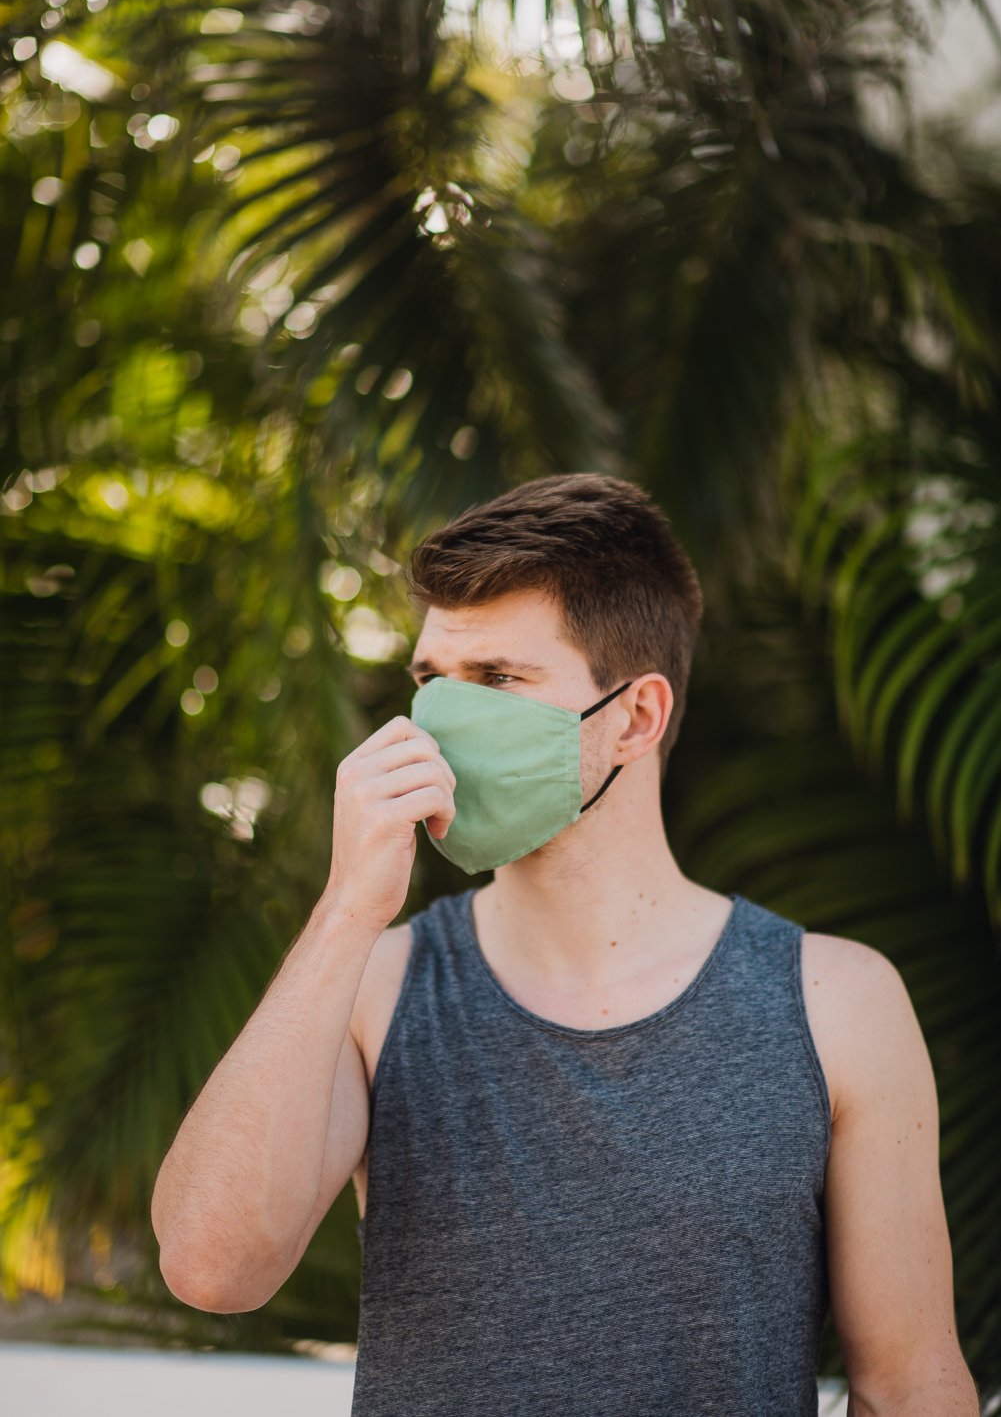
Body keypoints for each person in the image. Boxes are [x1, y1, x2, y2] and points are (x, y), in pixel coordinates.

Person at [151, 473, 978, 1416]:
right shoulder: (377, 985)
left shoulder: (836, 1001)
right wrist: (347, 908)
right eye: (430, 680)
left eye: (498, 680)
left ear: (636, 717)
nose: (443, 723)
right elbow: (211, 1268)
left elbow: (909, 1386)